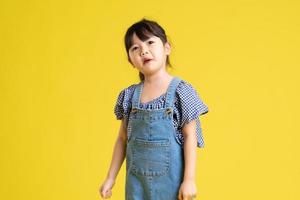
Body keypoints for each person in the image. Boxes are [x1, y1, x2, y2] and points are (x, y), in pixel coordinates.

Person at [99, 18, 209, 200]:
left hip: (172, 186)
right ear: (130, 61)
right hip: (136, 185)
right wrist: (111, 177)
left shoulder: (181, 91)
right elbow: (122, 138)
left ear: (167, 48)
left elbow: (191, 136)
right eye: (135, 48)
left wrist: (189, 179)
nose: (144, 50)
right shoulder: (129, 96)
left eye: (150, 42)